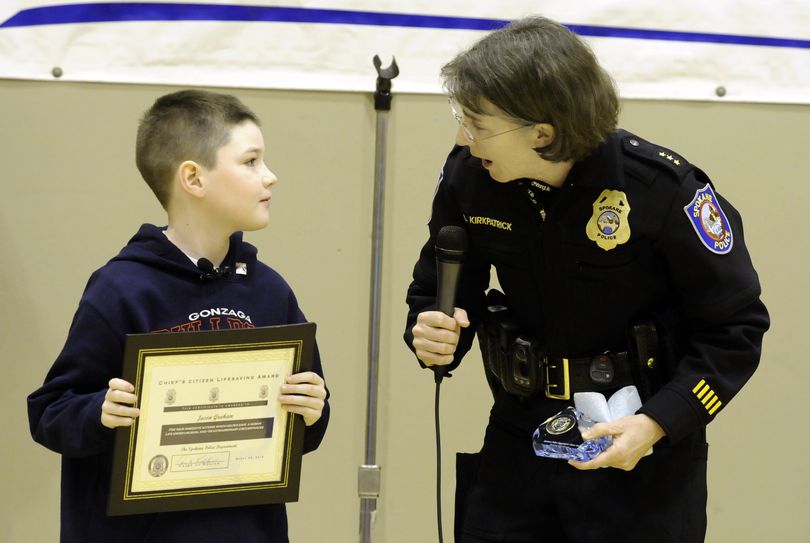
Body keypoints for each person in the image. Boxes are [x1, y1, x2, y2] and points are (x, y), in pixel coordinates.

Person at [404, 16, 769, 543]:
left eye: (478, 124)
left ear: (542, 133)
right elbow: (440, 288)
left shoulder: (661, 191)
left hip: (636, 452)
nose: (462, 137)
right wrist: (432, 332)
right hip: (520, 443)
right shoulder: (471, 174)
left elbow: (736, 329)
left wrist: (659, 423)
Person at [28, 90, 329, 543]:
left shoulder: (270, 291)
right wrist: (100, 411)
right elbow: (50, 412)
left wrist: (313, 409)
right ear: (193, 177)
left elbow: (304, 432)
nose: (270, 177)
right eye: (251, 161)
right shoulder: (121, 289)